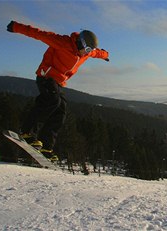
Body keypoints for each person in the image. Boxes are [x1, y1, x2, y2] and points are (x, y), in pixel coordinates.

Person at [6, 21, 110, 160]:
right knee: (52, 101)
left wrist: (105, 55)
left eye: (89, 51)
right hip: (46, 76)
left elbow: (97, 53)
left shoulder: (87, 53)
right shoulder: (62, 42)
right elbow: (38, 34)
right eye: (87, 49)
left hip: (59, 82)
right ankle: (27, 132)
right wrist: (16, 27)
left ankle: (46, 147)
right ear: (81, 42)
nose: (87, 53)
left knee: (61, 111)